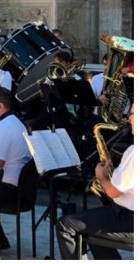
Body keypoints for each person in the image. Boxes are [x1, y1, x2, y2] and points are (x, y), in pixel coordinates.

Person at [56, 104, 134, 259]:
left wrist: (101, 176)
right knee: (92, 227)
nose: (128, 118)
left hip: (129, 220)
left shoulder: (134, 152)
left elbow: (113, 191)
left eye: (132, 114)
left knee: (65, 224)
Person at [0, 87, 32, 250]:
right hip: (21, 189)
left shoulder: (1, 129)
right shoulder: (17, 124)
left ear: (0, 106)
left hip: (7, 190)